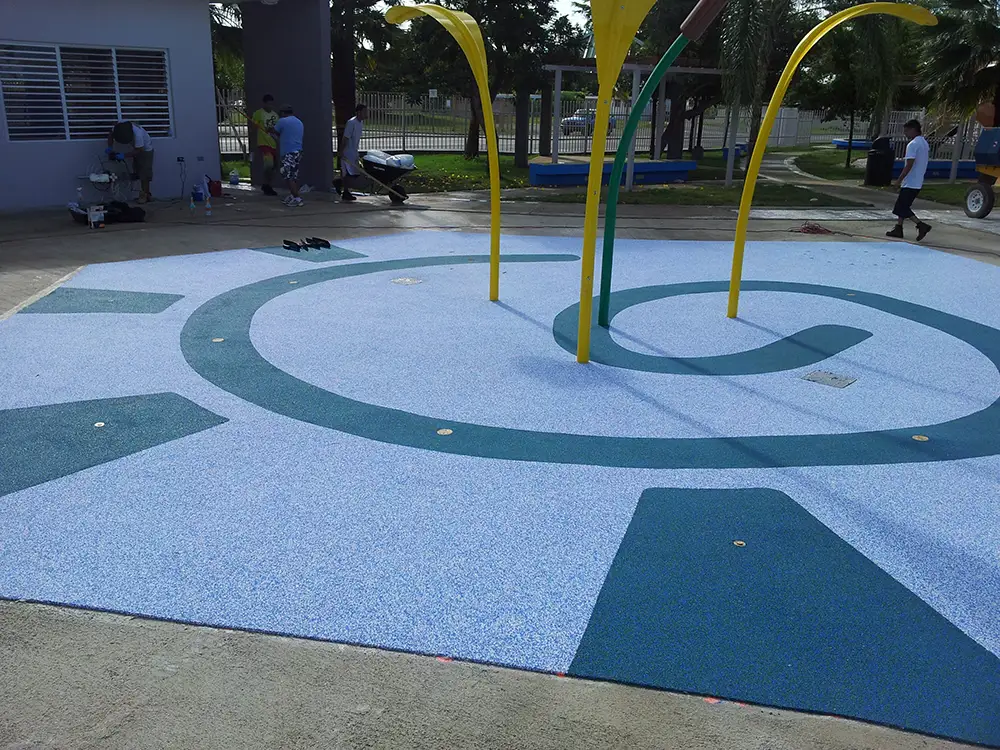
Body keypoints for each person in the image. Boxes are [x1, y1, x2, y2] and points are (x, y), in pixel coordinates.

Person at [887, 119, 931, 241]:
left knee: (901, 207)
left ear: (913, 130)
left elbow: (909, 164)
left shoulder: (912, 144)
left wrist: (899, 180)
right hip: (918, 181)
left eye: (906, 131)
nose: (905, 134)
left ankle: (921, 225)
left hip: (910, 181)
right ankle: (898, 228)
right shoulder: (924, 143)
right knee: (903, 205)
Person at [108, 121, 154, 203]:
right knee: (136, 172)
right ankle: (145, 193)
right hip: (136, 148)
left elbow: (139, 150)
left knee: (144, 173)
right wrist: (110, 147)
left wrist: (123, 155)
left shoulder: (138, 134)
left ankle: (145, 195)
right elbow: (110, 135)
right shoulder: (118, 128)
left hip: (145, 150)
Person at [272, 105, 304, 208]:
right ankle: (292, 195)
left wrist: (270, 131)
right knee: (292, 175)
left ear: (283, 113)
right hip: (297, 151)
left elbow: (274, 131)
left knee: (288, 176)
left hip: (288, 152)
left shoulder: (282, 121)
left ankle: (297, 198)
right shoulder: (299, 122)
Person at [335, 103, 368, 202]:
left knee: (353, 173)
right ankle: (342, 187)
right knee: (350, 173)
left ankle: (341, 186)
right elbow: (345, 138)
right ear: (358, 112)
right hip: (348, 152)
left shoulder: (360, 123)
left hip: (354, 151)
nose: (366, 113)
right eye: (364, 111)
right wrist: (341, 151)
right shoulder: (351, 123)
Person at [250, 94, 279, 196]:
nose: (270, 106)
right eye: (268, 104)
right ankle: (267, 185)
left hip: (274, 143)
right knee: (268, 165)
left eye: (271, 104)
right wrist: (255, 126)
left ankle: (267, 184)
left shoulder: (275, 115)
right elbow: (253, 127)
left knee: (274, 167)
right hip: (264, 143)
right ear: (264, 103)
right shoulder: (258, 113)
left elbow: (277, 129)